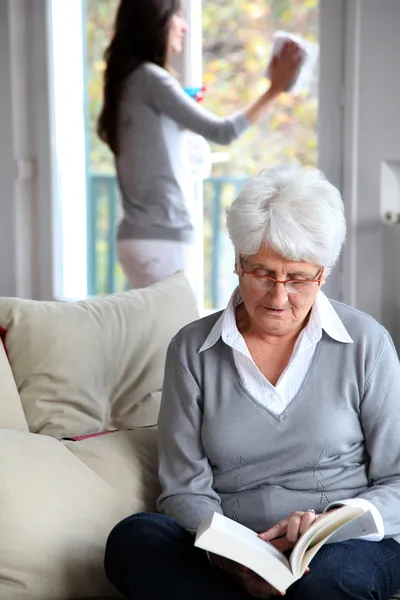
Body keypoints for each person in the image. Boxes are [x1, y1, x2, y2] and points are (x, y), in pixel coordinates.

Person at [104, 166, 400, 600]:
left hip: (341, 548)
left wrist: (333, 521)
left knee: (329, 580)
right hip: (230, 555)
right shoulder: (192, 350)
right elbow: (183, 487)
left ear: (324, 272)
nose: (279, 297)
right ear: (239, 263)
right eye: (263, 273)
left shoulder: (367, 343)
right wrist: (229, 556)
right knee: (135, 538)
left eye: (298, 278)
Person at [97, 0, 301, 289]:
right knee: (182, 333)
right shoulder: (151, 78)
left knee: (159, 332)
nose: (185, 25)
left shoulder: (127, 80)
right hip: (162, 239)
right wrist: (274, 89)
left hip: (137, 239)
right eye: (177, 16)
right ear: (156, 23)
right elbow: (223, 132)